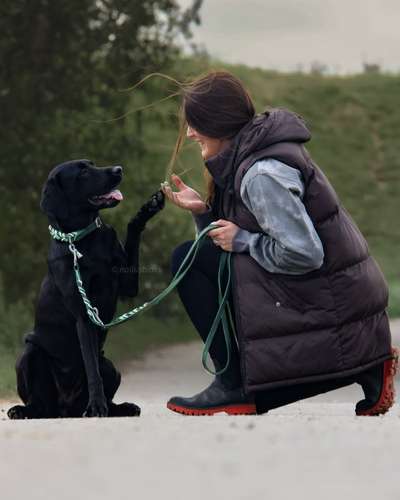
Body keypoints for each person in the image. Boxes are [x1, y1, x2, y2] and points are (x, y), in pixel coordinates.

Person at [161, 70, 398, 416]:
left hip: (332, 306)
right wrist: (203, 214)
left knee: (189, 258)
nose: (191, 132)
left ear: (217, 121)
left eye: (195, 123)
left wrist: (242, 240)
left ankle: (232, 385)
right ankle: (369, 367)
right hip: (338, 307)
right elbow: (234, 247)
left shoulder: (261, 174)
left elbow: (304, 252)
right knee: (197, 257)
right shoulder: (249, 157)